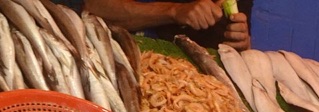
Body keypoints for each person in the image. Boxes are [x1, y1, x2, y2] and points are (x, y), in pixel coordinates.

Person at [82, 0, 252, 51]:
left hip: (192, 84)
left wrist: (241, 42)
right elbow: (92, 6)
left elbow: (239, 45)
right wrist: (173, 11)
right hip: (113, 53)